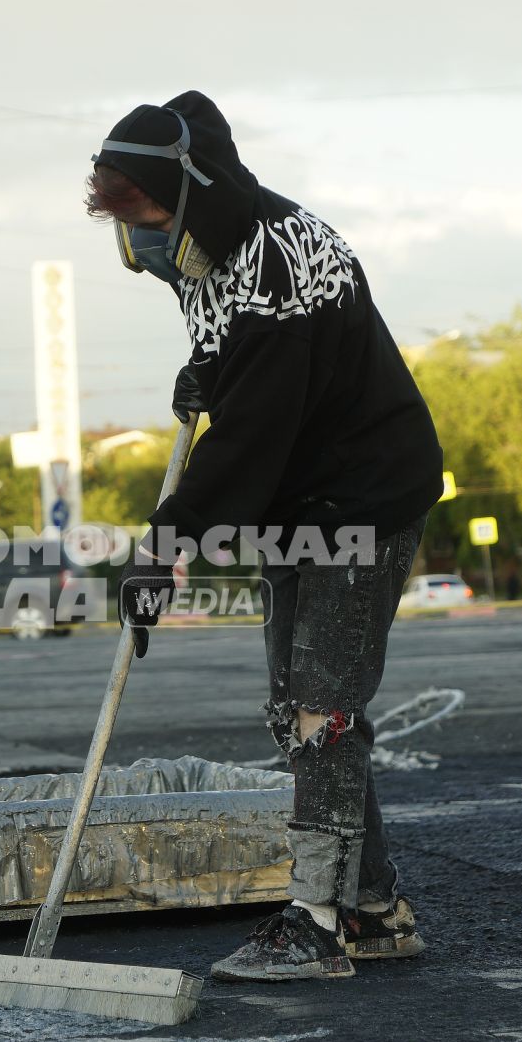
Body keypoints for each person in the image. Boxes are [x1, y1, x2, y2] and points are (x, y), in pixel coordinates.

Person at [87, 93, 443, 982]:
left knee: (325, 707)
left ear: (191, 188)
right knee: (296, 713)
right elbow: (243, 383)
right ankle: (374, 909)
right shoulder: (203, 253)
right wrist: (208, 370)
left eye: (150, 214)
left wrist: (164, 544)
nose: (147, 240)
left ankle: (317, 921)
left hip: (360, 495)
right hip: (298, 501)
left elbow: (255, 431)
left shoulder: (279, 256)